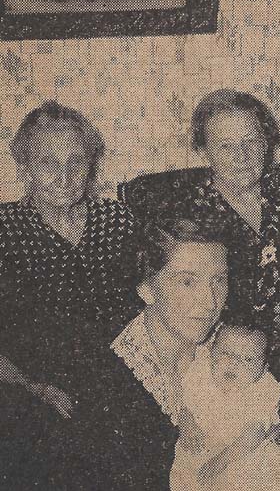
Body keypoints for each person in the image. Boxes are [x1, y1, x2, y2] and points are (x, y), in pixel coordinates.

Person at [119, 88, 280, 488]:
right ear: (204, 151)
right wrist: (265, 356)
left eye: (252, 142)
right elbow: (192, 308)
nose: (242, 156)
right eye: (227, 146)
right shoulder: (189, 212)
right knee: (278, 440)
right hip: (236, 356)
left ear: (267, 142)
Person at [0, 101, 138, 489]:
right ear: (24, 168)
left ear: (91, 164)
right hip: (29, 386)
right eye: (48, 162)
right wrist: (33, 387)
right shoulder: (4, 229)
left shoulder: (116, 220)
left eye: (76, 161)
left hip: (118, 380)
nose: (64, 176)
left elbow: (155, 303)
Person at [111, 217, 230, 490]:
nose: (210, 301)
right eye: (188, 282)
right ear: (147, 289)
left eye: (219, 280)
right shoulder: (114, 378)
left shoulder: (230, 345)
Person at [170, 323, 280, 491]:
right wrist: (187, 424)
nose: (234, 363)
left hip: (244, 453)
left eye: (247, 359)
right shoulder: (201, 374)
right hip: (201, 446)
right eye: (226, 353)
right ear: (211, 352)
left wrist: (221, 461)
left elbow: (254, 434)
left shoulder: (262, 389)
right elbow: (184, 404)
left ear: (263, 368)